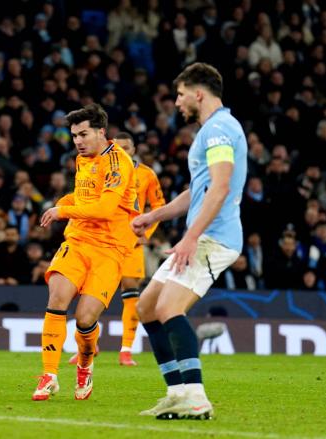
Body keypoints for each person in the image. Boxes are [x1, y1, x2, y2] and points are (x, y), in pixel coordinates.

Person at [131, 63, 247, 420]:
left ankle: (196, 399)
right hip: (202, 235)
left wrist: (190, 237)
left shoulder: (218, 131)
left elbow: (222, 186)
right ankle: (177, 392)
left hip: (214, 238)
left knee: (168, 308)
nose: (176, 102)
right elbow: (197, 191)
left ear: (199, 93)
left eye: (180, 95)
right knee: (147, 307)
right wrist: (155, 216)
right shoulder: (211, 131)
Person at [32, 103, 138, 401]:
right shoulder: (83, 159)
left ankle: (85, 364)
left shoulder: (118, 162)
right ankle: (49, 375)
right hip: (78, 242)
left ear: (101, 132)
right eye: (74, 135)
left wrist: (62, 210)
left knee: (84, 318)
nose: (77, 141)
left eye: (83, 134)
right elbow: (84, 195)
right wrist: (59, 205)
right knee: (57, 296)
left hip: (110, 249)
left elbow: (105, 208)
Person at [68, 131, 166, 367]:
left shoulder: (146, 175)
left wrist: (146, 234)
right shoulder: (98, 165)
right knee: (87, 293)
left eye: (127, 147)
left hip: (130, 241)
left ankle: (126, 349)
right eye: (118, 146)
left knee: (130, 292)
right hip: (98, 241)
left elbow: (159, 205)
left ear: (134, 150)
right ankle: (88, 345)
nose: (121, 150)